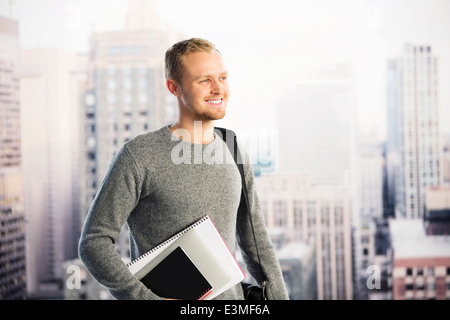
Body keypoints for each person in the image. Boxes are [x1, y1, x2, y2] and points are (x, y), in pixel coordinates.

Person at [78, 37, 289, 300]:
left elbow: (256, 240)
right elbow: (94, 242)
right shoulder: (140, 155)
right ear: (173, 87)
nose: (218, 88)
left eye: (222, 78)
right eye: (205, 80)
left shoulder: (232, 146)